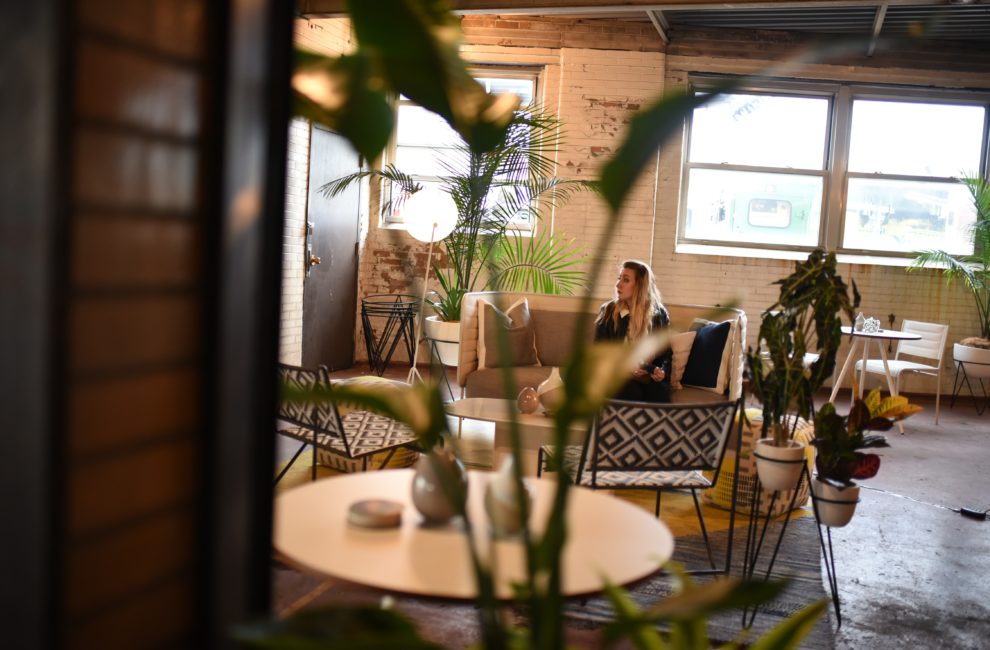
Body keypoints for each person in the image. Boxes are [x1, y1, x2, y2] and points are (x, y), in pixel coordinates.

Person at [594, 260, 672, 403]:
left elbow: (666, 354)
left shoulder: (659, 314)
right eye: (619, 278)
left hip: (647, 375)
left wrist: (661, 371)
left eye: (626, 280)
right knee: (631, 391)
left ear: (640, 286)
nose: (618, 284)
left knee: (658, 392)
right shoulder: (608, 311)